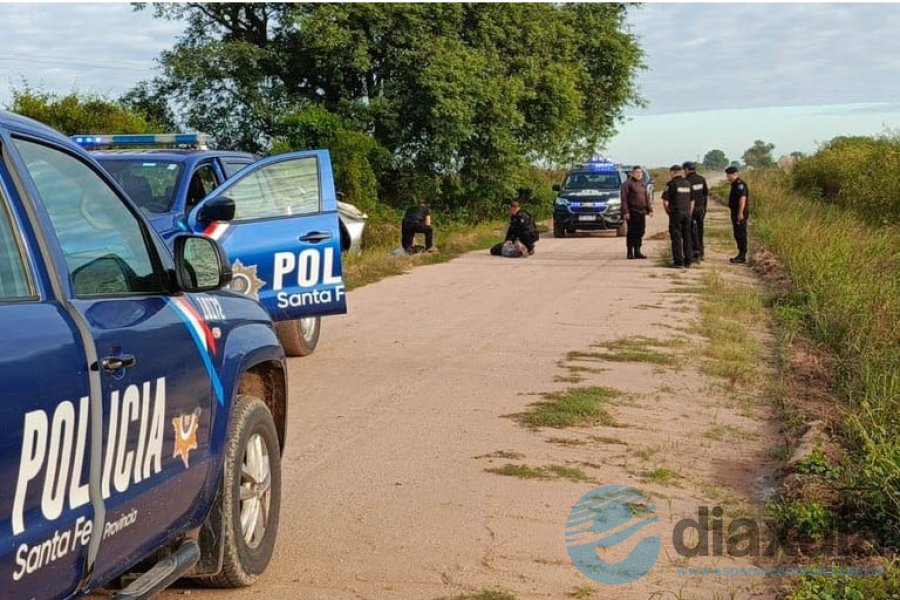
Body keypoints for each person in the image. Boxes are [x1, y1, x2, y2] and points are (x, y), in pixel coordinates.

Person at [661, 164, 694, 268]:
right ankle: (688, 261)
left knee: (676, 237)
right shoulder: (688, 183)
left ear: (672, 172)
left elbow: (665, 201)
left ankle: (678, 262)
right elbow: (692, 201)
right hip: (687, 213)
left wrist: (668, 212)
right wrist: (689, 212)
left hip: (675, 213)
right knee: (687, 237)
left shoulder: (670, 184)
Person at [620, 165, 653, 259]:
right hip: (632, 212)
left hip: (641, 212)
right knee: (632, 232)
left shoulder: (642, 184)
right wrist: (626, 212)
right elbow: (624, 199)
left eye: (640, 172)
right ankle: (630, 252)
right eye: (637, 172)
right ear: (632, 173)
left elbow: (646, 198)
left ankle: (638, 251)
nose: (639, 174)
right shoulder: (627, 184)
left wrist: (650, 209)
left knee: (640, 231)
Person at [683, 161, 709, 262]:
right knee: (700, 231)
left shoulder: (686, 181)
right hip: (700, 209)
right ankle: (701, 253)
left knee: (690, 232)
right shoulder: (701, 179)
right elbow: (705, 194)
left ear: (686, 169)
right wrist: (704, 208)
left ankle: (694, 253)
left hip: (690, 210)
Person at [725, 166, 749, 263]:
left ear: (734, 174)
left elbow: (742, 198)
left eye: (728, 175)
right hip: (735, 212)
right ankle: (740, 254)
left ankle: (742, 256)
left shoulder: (740, 184)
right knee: (737, 233)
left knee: (740, 233)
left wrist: (740, 213)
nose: (727, 177)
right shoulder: (734, 184)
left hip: (740, 213)